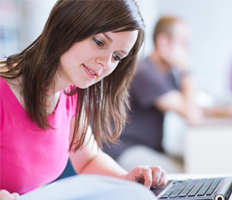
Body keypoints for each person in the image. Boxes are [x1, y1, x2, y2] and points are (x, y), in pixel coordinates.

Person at [0, 0, 167, 199]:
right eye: (99, 42)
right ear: (67, 24)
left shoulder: (70, 91)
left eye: (116, 57)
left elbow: (88, 159)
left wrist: (125, 179)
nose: (105, 63)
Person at [103, 16, 232, 173]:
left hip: (147, 148)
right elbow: (193, 116)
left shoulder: (165, 73)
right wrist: (186, 69)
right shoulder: (144, 72)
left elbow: (188, 105)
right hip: (124, 150)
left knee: (195, 164)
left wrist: (227, 111)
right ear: (163, 43)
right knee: (188, 173)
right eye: (184, 43)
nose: (188, 50)